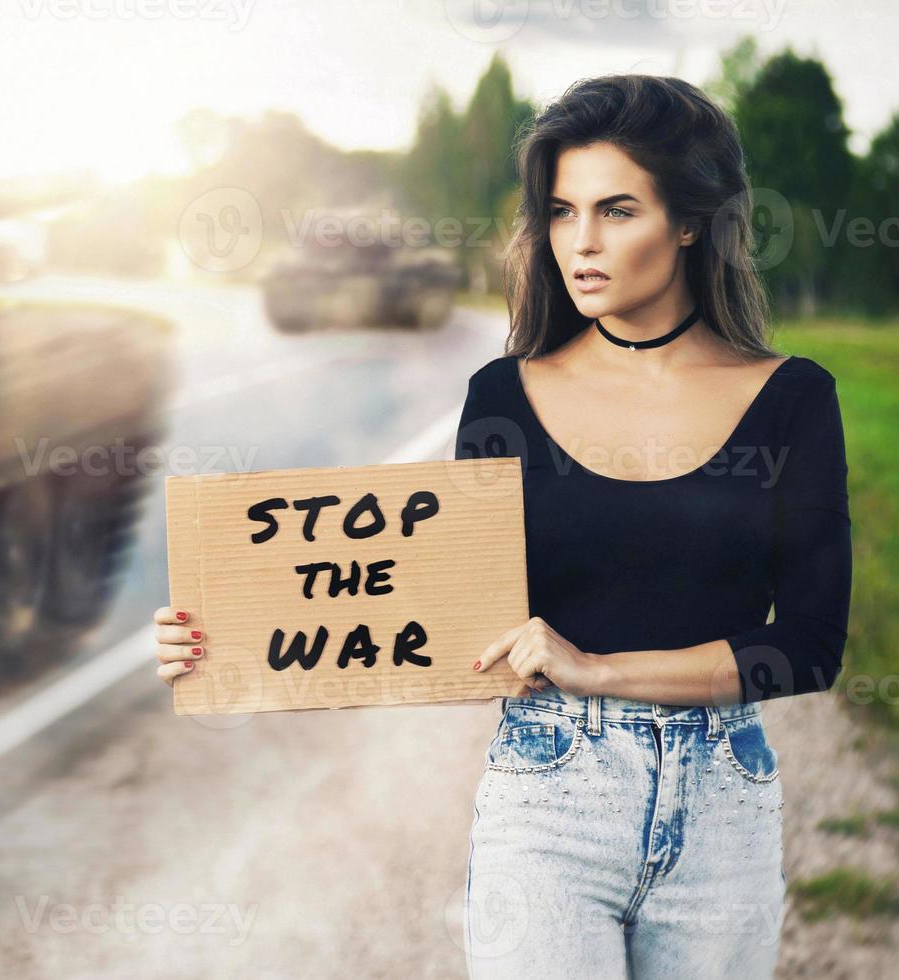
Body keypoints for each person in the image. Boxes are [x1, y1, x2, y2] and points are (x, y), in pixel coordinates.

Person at [157, 71, 852, 980]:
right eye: (562, 213)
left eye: (616, 211)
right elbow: (426, 611)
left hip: (726, 806)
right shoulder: (502, 398)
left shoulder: (794, 399)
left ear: (689, 223)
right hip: (551, 797)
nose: (583, 244)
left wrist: (598, 668)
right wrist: (227, 634)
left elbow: (807, 645)